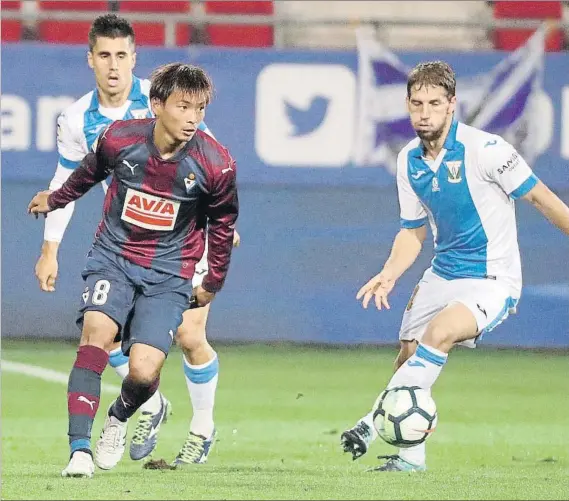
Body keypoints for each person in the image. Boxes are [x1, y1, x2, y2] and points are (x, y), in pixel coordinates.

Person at [340, 61, 569, 472]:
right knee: (408, 356)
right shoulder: (408, 160)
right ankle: (410, 460)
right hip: (442, 273)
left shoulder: (488, 150)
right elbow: (412, 232)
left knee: (439, 333)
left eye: (433, 103)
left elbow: (543, 199)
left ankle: (367, 426)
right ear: (407, 106)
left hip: (491, 279)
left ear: (452, 106)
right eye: (416, 104)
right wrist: (390, 272)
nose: (424, 112)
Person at [35, 13, 238, 465]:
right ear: (91, 60)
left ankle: (202, 428)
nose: (113, 66)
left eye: (122, 55)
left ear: (134, 58)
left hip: (184, 239)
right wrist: (50, 248)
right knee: (104, 333)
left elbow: (207, 163)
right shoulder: (76, 119)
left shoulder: (165, 99)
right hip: (125, 242)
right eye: (104, 55)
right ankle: (146, 402)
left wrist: (224, 227)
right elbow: (67, 181)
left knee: (188, 333)